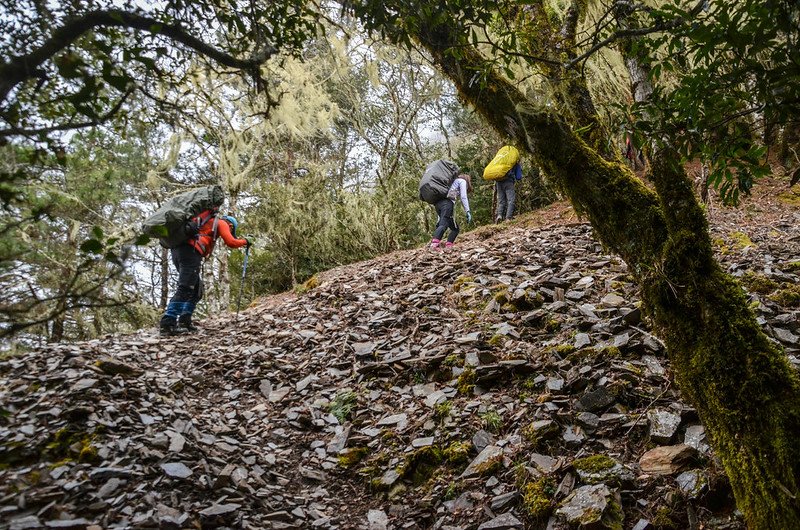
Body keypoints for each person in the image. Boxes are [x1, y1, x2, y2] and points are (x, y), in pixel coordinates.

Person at [159, 211, 250, 336]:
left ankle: (184, 321)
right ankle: (167, 323)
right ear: (231, 226)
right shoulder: (223, 223)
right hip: (191, 252)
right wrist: (246, 241)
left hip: (179, 252)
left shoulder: (206, 224)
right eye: (231, 230)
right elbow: (231, 242)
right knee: (185, 287)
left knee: (197, 290)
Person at [429, 173, 472, 251]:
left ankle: (449, 246)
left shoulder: (451, 183)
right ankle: (434, 245)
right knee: (443, 225)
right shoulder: (462, 181)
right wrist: (467, 210)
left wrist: (439, 218)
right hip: (447, 204)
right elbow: (463, 196)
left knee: (455, 228)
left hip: (438, 204)